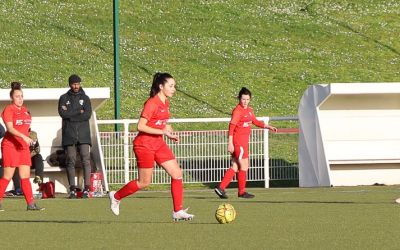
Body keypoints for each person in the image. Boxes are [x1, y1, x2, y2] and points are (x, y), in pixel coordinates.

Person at [108, 72, 194, 221]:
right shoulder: (151, 103)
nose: (174, 89)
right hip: (144, 145)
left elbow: (163, 122)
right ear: (161, 86)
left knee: (177, 173)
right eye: (171, 86)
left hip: (158, 143)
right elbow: (140, 126)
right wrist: (163, 132)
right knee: (144, 182)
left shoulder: (165, 102)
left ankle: (177, 211)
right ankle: (116, 197)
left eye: (174, 86)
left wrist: (169, 131)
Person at [214, 87, 277, 199]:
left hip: (241, 143)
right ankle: (241, 192)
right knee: (244, 165)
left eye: (247, 99)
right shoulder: (238, 111)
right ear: (239, 98)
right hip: (239, 143)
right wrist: (230, 143)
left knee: (235, 166)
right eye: (243, 99)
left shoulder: (249, 110)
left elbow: (255, 121)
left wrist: (268, 126)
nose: (245, 101)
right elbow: (232, 127)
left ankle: (221, 188)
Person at [0, 82, 44, 211]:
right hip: (10, 145)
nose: (20, 99)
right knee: (7, 176)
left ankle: (30, 203)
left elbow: (25, 128)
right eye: (17, 96)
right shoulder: (9, 109)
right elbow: (10, 128)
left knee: (25, 176)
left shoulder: (25, 110)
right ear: (12, 98)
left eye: (21, 96)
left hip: (23, 147)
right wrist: (24, 137)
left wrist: (28, 137)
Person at [58, 74, 92, 199]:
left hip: (83, 134)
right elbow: (63, 113)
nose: (76, 86)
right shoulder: (63, 98)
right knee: (70, 160)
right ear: (70, 84)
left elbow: (87, 115)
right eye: (74, 84)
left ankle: (87, 188)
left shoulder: (86, 98)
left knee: (85, 159)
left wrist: (70, 113)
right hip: (69, 134)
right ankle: (72, 189)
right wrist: (79, 111)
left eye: (78, 83)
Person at [10, 130, 44, 196]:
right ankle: (18, 189)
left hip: (29, 161)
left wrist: (30, 153)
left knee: (39, 157)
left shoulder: (36, 143)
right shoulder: (20, 142)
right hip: (21, 162)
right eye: (32, 141)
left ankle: (39, 178)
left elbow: (37, 151)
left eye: (35, 140)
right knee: (15, 167)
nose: (33, 142)